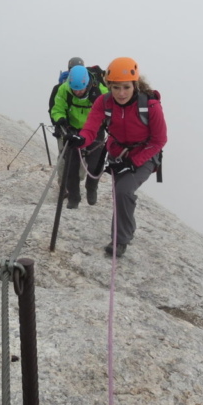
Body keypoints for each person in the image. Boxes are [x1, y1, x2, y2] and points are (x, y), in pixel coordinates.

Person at [66, 57, 167, 256]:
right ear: (109, 86)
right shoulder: (103, 102)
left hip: (145, 155)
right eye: (116, 88)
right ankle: (125, 231)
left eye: (126, 87)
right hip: (117, 154)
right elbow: (90, 129)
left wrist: (132, 162)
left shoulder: (151, 106)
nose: (121, 93)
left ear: (135, 85)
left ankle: (120, 240)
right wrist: (80, 139)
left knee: (124, 191)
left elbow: (159, 140)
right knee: (119, 194)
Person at [50, 63, 108, 208]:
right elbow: (57, 109)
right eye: (74, 90)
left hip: (95, 130)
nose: (78, 92)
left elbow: (109, 111)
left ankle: (91, 187)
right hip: (73, 130)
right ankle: (73, 198)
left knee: (96, 164)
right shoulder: (64, 89)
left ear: (87, 83)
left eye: (81, 89)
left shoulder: (100, 91)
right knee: (71, 165)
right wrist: (60, 120)